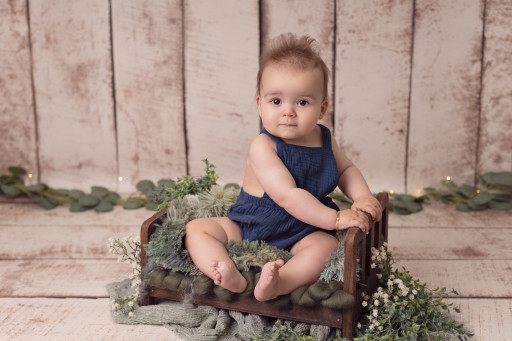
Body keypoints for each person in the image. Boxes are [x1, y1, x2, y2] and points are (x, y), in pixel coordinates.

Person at [184, 33, 382, 302]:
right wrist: (335, 219)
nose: (288, 111)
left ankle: (281, 282)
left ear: (322, 108)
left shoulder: (325, 139)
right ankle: (222, 268)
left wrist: (362, 196)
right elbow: (288, 196)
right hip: (251, 226)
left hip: (304, 229)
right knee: (197, 229)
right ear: (259, 104)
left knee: (326, 247)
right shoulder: (263, 146)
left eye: (302, 102)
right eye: (276, 101)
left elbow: (346, 170)